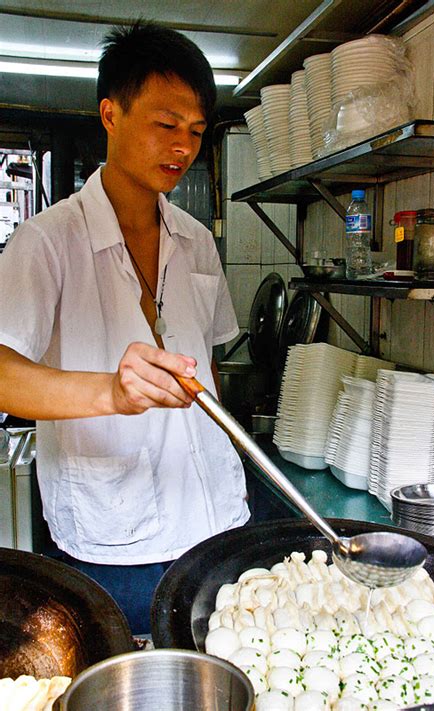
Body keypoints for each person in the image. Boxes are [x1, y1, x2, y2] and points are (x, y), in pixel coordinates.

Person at [0, 21, 249, 634]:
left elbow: (209, 368)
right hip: (114, 537)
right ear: (111, 114)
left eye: (195, 132)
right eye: (166, 125)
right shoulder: (46, 242)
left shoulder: (195, 241)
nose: (183, 148)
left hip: (218, 517)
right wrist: (112, 391)